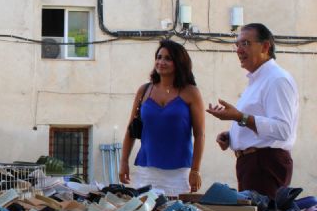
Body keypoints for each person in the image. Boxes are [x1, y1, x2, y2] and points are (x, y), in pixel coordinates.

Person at [207, 23, 298, 199]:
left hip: (264, 164)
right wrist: (232, 136)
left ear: (265, 47)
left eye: (245, 44)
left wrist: (240, 117)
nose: (239, 50)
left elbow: (283, 130)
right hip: (253, 165)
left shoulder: (277, 79)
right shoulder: (258, 80)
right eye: (237, 44)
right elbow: (259, 123)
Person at [120, 39, 205, 196]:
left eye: (168, 58)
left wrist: (196, 170)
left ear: (179, 63)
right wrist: (124, 162)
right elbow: (131, 130)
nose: (161, 62)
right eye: (159, 57)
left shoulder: (191, 92)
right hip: (146, 170)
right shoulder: (144, 90)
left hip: (179, 173)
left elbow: (199, 135)